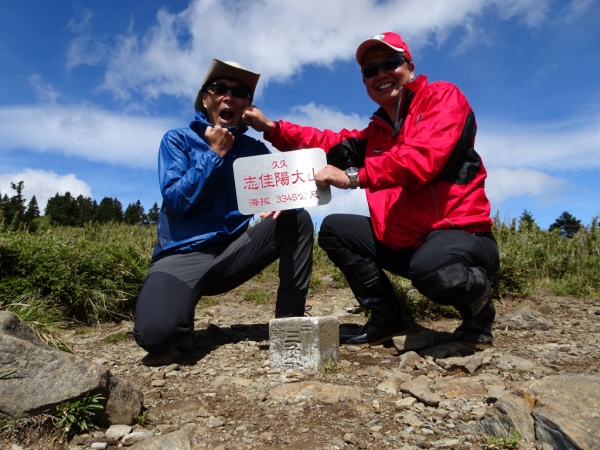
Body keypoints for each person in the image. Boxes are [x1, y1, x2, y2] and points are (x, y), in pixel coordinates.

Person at [243, 32, 499, 349]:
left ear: (409, 66)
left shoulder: (442, 98)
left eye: (390, 63)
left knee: (435, 271)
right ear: (365, 81)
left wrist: (354, 177)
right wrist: (272, 129)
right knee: (335, 229)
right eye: (370, 70)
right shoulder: (373, 134)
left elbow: (422, 157)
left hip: (462, 236)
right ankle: (387, 318)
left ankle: (479, 312)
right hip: (405, 242)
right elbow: (325, 143)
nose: (381, 74)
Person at [133, 59, 313, 365]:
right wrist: (215, 155)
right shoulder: (177, 140)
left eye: (239, 91)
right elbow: (176, 200)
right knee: (154, 336)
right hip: (181, 254)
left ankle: (289, 329)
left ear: (247, 105)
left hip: (232, 253)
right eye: (219, 88)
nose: (229, 96)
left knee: (298, 219)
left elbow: (283, 193)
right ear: (206, 99)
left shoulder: (254, 151)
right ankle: (180, 322)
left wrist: (282, 202)